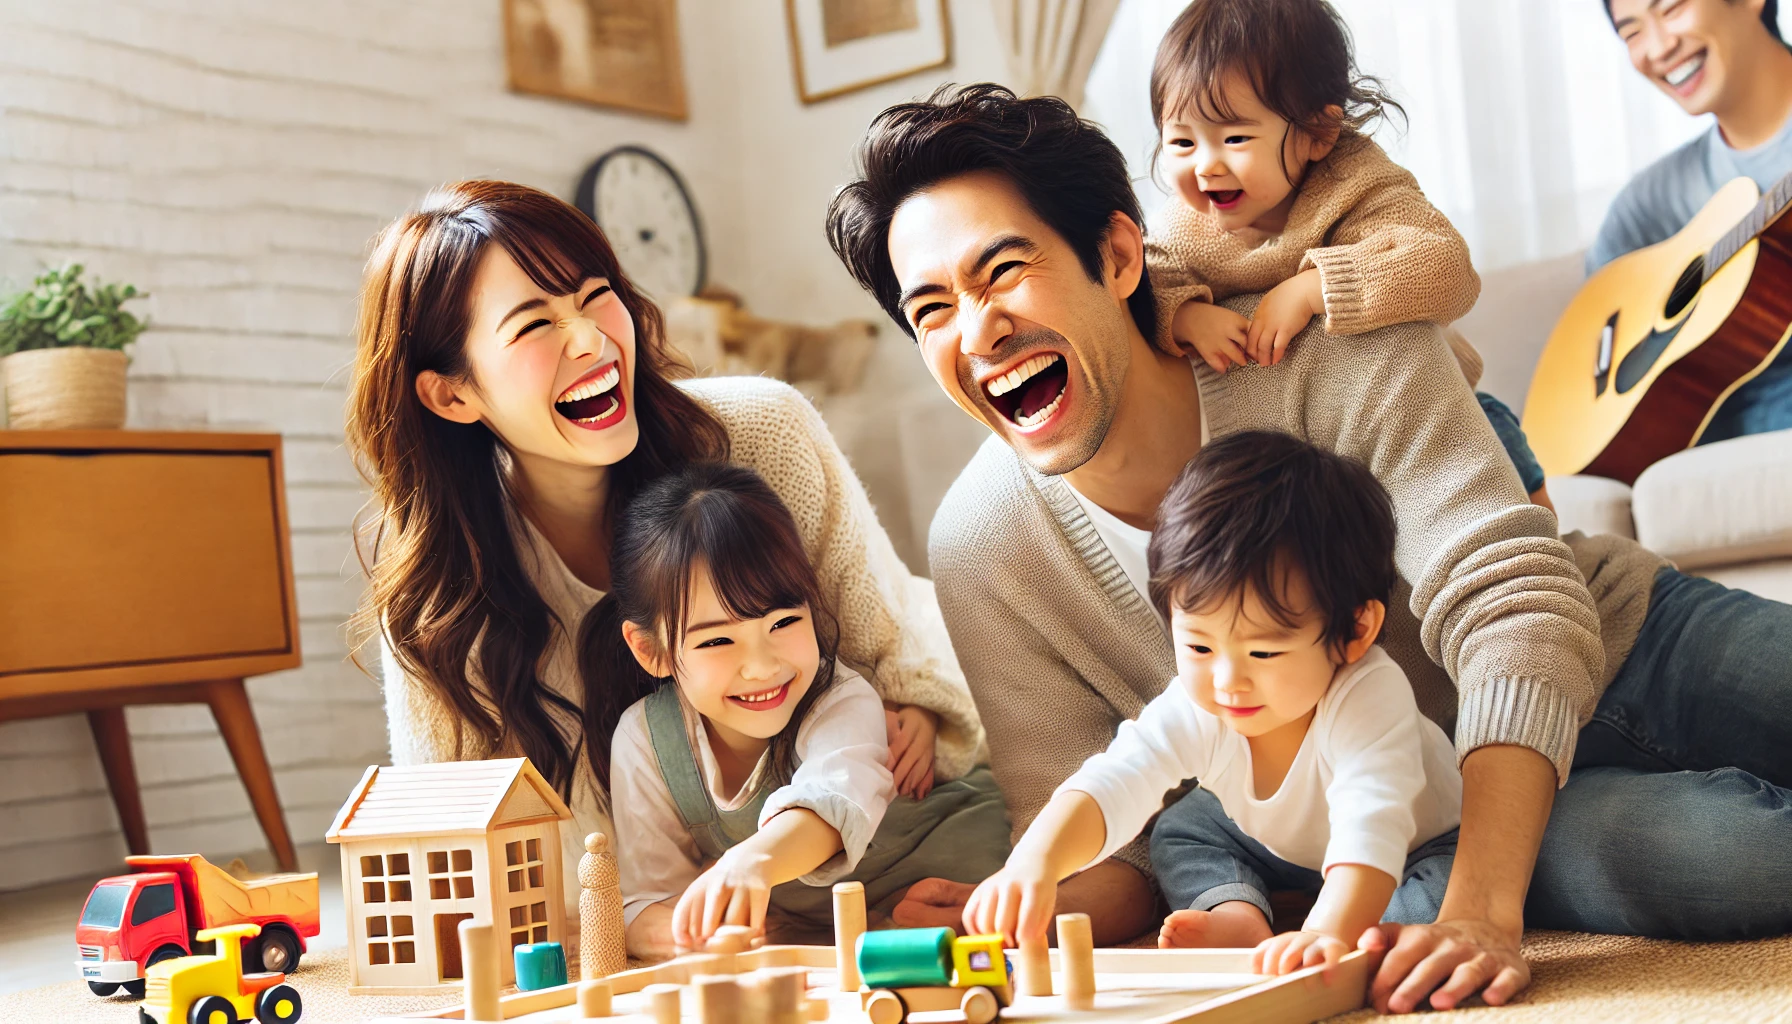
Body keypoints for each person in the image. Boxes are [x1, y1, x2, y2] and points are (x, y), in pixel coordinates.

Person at [825, 83, 1792, 1013]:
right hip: (1432, 821)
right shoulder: (981, 546)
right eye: (933, 310)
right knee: (1738, 861)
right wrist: (1034, 900)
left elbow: (1514, 602)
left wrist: (1481, 914)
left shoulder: (1332, 344)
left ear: (1118, 257)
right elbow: (1114, 847)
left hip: (1621, 644)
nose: (980, 330)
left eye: (1003, 270)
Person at [345, 180, 984, 917]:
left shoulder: (761, 435)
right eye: (533, 325)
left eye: (595, 295)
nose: (591, 340)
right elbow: (454, 853)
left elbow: (899, 652)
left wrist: (920, 711)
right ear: (453, 395)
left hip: (907, 826)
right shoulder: (439, 592)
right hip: (702, 923)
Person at [965, 431, 1462, 978]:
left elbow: (1374, 823)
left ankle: (1327, 924)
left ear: (1355, 631)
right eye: (1199, 646)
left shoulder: (1369, 694)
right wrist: (1034, 864)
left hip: (1420, 846)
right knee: (1182, 831)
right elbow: (1115, 779)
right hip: (1284, 848)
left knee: (1435, 904)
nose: (1228, 681)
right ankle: (1237, 913)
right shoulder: (1200, 705)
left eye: (1264, 650)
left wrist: (1325, 934)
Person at [602, 463, 1010, 958]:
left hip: (967, 858)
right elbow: (647, 901)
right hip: (845, 936)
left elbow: (828, 806)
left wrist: (748, 862)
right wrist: (697, 934)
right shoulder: (644, 741)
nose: (762, 666)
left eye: (783, 622)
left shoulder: (841, 698)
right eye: (717, 640)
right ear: (651, 650)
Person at [1593, 0, 1792, 442]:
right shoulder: (1649, 203)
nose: (1659, 48)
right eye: (1632, 33)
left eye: (1671, 8)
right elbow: (1592, 340)